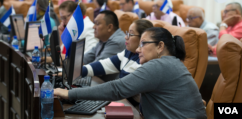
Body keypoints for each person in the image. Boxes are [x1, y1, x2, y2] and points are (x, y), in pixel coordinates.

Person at [54, 27, 207, 119]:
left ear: (160, 46)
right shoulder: (170, 63)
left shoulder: (159, 66)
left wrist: (69, 94)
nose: (138, 49)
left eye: (143, 44)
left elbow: (116, 89)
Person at [82, 19, 153, 105]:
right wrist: (77, 72)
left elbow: (120, 88)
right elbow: (103, 65)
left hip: (136, 110)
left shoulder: (145, 62)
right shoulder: (128, 52)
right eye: (127, 33)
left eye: (130, 34)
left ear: (142, 39)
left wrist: (74, 93)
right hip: (125, 103)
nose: (126, 37)